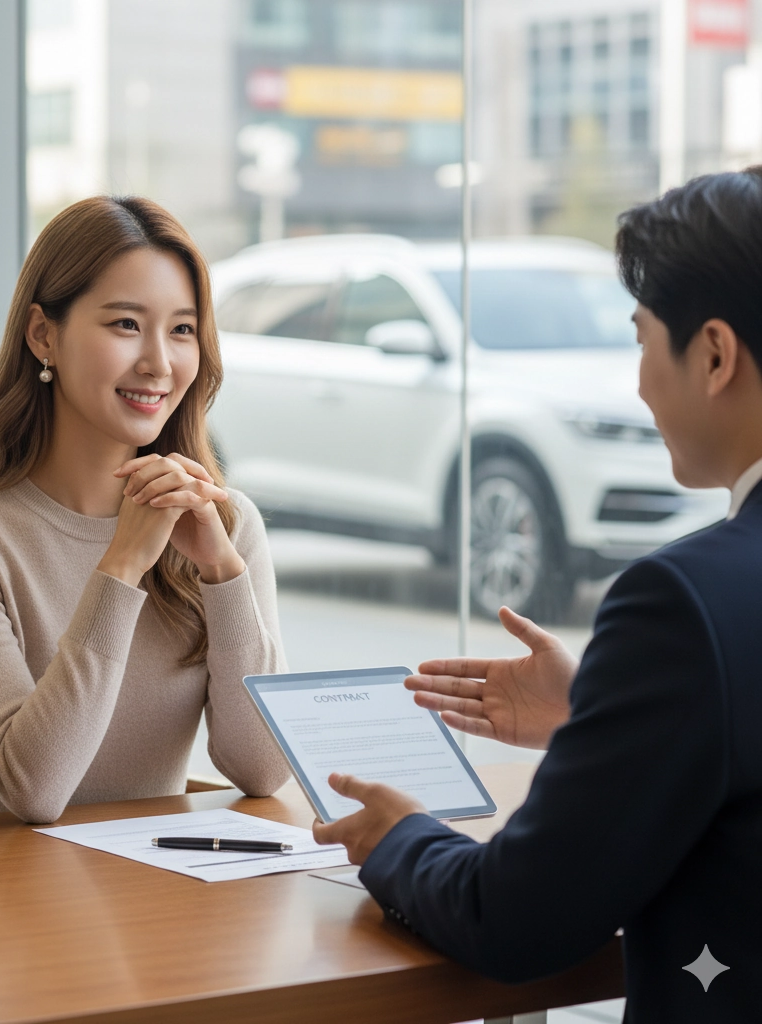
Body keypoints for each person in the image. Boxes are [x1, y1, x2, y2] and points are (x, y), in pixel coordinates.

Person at [313, 167, 762, 1023]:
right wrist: (608, 718)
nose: (637, 384)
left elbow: (515, 919)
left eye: (640, 340)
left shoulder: (683, 603)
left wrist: (396, 839)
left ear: (712, 354)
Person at [0, 196, 289, 823]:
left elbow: (263, 768)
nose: (159, 363)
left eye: (182, 329)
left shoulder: (225, 523)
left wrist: (223, 572)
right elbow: (33, 789)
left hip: (139, 895)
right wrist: (125, 563)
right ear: (43, 335)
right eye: (126, 325)